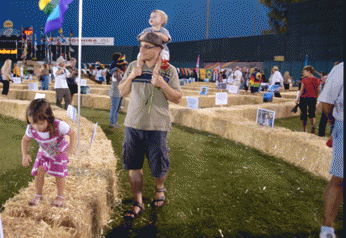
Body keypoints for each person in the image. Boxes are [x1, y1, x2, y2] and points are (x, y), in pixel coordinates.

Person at [118, 32, 182, 220]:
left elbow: (177, 98)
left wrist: (163, 85)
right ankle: (138, 201)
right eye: (141, 46)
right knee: (133, 165)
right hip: (133, 125)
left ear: (158, 50)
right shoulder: (132, 66)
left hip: (157, 126)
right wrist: (131, 77)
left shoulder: (169, 70)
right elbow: (121, 91)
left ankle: (159, 188)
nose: (142, 50)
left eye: (147, 47)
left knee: (159, 165)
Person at [21, 99, 76, 207]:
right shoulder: (31, 129)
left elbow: (72, 134)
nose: (37, 127)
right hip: (44, 152)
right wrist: (25, 154)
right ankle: (38, 195)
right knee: (39, 172)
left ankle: (60, 196)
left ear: (49, 118)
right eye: (33, 123)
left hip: (58, 152)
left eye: (41, 123)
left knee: (59, 175)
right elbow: (25, 140)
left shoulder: (59, 125)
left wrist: (71, 149)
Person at [317, 62, 343, 238]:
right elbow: (327, 101)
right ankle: (327, 229)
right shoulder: (341, 68)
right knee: (339, 177)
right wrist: (334, 125)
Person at [137, 9, 171, 75]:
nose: (151, 18)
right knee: (140, 56)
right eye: (150, 17)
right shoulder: (147, 30)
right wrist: (146, 34)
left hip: (161, 49)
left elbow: (167, 39)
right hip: (148, 49)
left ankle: (156, 71)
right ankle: (139, 69)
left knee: (161, 58)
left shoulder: (163, 31)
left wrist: (160, 35)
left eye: (154, 17)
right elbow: (140, 38)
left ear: (162, 21)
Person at [295, 66, 321, 133]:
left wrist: (297, 99)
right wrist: (317, 99)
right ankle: (313, 126)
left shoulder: (304, 80)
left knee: (303, 114)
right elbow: (318, 90)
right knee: (312, 113)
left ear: (308, 71)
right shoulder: (317, 80)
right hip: (313, 98)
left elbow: (301, 90)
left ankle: (305, 129)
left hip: (304, 98)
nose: (303, 73)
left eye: (304, 72)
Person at [109, 58, 128, 128]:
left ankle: (115, 122)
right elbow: (121, 81)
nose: (125, 67)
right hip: (115, 93)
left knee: (116, 109)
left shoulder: (120, 73)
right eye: (124, 66)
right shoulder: (116, 73)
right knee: (114, 109)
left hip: (118, 93)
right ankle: (112, 123)